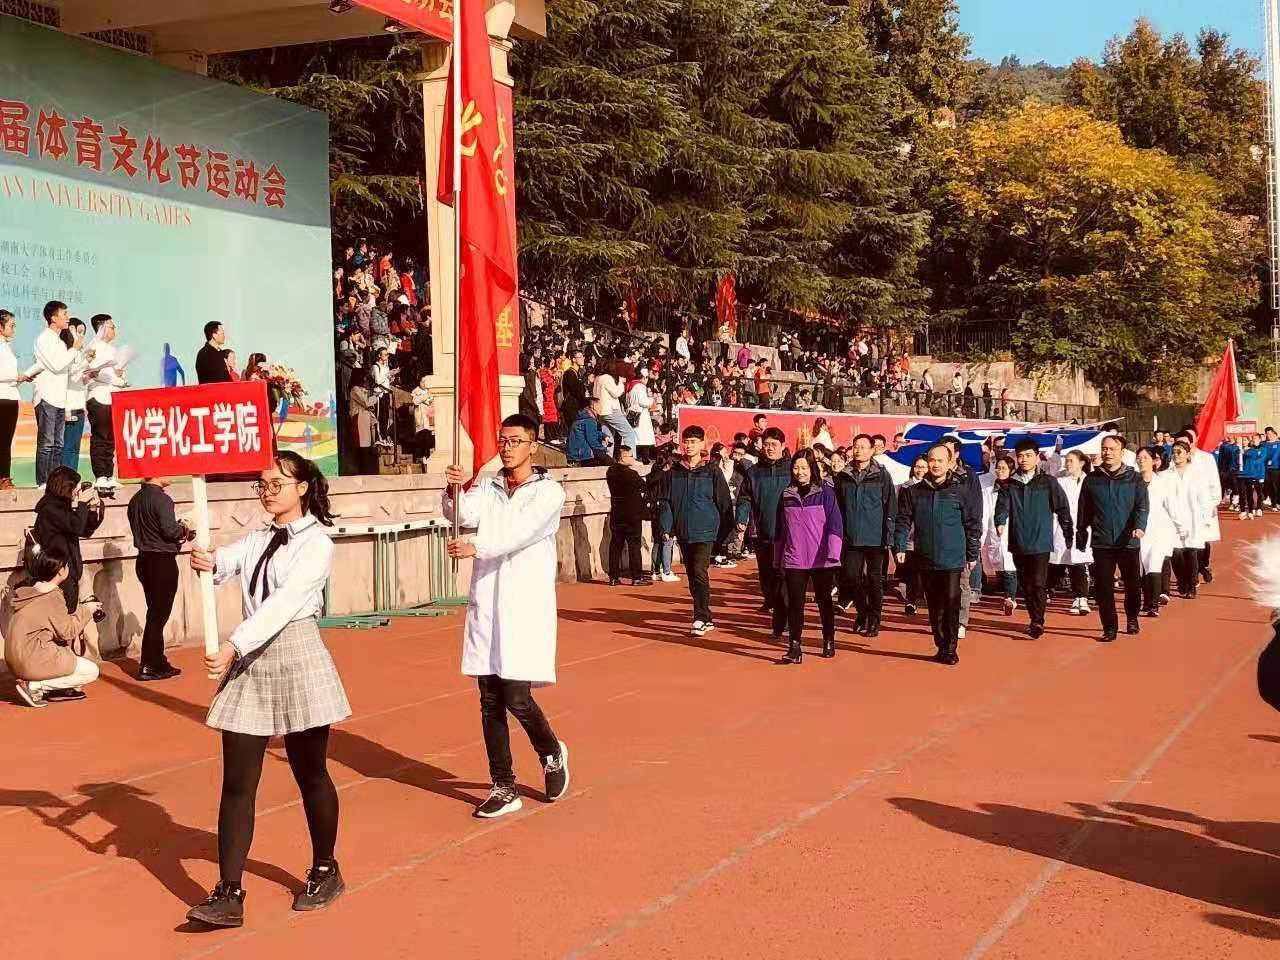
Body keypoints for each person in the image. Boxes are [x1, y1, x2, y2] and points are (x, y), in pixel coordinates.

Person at [186, 453, 351, 927]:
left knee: (310, 772)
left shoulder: (316, 543)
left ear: (302, 487)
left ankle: (325, 869)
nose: (267, 491)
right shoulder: (259, 537)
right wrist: (207, 558)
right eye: (262, 484)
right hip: (252, 658)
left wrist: (234, 645)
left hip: (294, 652)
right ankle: (228, 892)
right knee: (238, 781)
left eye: (276, 483)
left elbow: (285, 602)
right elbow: (225, 561)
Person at [443, 415, 571, 820]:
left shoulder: (547, 493)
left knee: (516, 696)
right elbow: (461, 515)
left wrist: (475, 547)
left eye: (516, 440)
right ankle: (503, 784)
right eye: (503, 440)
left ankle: (550, 751)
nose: (507, 447)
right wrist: (455, 489)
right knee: (489, 700)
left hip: (523, 607)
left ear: (533, 445)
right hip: (488, 601)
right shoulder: (490, 486)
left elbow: (520, 532)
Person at [893, 443, 981, 665]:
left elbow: (972, 524)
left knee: (951, 602)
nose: (935, 465)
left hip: (952, 558)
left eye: (940, 461)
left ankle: (950, 647)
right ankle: (941, 643)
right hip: (925, 557)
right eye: (932, 460)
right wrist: (900, 546)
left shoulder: (961, 491)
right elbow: (903, 520)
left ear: (950, 463)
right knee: (934, 605)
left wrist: (972, 554)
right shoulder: (913, 492)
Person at [994, 438, 1074, 638]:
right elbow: (1002, 506)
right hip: (1019, 541)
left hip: (1040, 542)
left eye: (1028, 455)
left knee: (1038, 582)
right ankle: (1033, 616)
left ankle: (1037, 621)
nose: (1024, 459)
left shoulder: (1048, 482)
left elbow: (1062, 508)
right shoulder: (1009, 484)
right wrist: (1000, 521)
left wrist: (1068, 532)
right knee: (1026, 584)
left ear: (1037, 457)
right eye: (1020, 456)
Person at [6, 543, 102, 707]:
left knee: (73, 671)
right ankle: (35, 686)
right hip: (32, 659)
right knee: (91, 671)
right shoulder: (52, 596)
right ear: (60, 571)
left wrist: (82, 609)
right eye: (67, 566)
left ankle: (38, 684)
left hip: (16, 658)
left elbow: (55, 623)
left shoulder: (30, 591)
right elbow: (68, 631)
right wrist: (87, 610)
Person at [658, 425, 733, 637]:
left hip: (706, 531)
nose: (689, 445)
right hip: (684, 531)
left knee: (700, 572)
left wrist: (725, 534)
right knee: (692, 575)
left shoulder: (712, 471)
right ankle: (705, 617)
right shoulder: (674, 473)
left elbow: (724, 502)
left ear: (702, 444)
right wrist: (666, 526)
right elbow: (665, 502)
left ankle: (700, 617)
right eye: (686, 441)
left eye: (693, 442)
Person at [1076, 434, 1148, 642]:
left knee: (1132, 586)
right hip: (1102, 541)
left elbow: (1142, 506)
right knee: (1103, 588)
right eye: (1104, 449)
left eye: (1112, 449)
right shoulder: (1092, 480)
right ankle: (1109, 627)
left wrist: (1139, 527)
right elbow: (1084, 509)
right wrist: (1081, 532)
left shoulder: (1134, 479)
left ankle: (1132, 618)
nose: (1107, 453)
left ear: (1122, 452)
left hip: (1128, 542)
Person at [774, 449, 843, 664]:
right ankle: (794, 646)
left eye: (804, 467)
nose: (800, 472)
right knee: (795, 603)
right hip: (794, 558)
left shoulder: (826, 493)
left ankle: (828, 638)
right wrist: (777, 557)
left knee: (824, 601)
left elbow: (835, 524)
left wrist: (833, 553)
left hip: (821, 558)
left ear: (812, 469)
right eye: (796, 468)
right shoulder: (786, 495)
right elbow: (780, 529)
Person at [126, 476, 191, 680]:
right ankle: (150, 663)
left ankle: (157, 660)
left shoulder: (135, 499)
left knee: (155, 613)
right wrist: (185, 528)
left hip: (144, 559)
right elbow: (170, 531)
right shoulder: (162, 499)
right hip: (161, 560)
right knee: (158, 615)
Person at [834, 434, 895, 638]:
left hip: (876, 537)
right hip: (850, 537)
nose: (858, 450)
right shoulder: (843, 476)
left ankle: (874, 619)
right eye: (855, 446)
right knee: (850, 577)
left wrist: (889, 535)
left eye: (863, 446)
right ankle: (863, 612)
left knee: (874, 580)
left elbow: (890, 506)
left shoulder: (882, 475)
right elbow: (838, 507)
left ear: (871, 450)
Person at [736, 427, 792, 633]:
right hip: (763, 532)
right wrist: (741, 518)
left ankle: (783, 616)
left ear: (783, 446)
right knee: (767, 575)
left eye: (774, 445)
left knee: (783, 575)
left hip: (788, 533)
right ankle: (772, 601)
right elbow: (744, 498)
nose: (769, 448)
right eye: (766, 444)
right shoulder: (754, 472)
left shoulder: (792, 469)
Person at [33, 466, 104, 617]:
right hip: (57, 574)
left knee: (71, 617)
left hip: (69, 572)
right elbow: (76, 526)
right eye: (75, 489)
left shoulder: (61, 507)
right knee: (64, 619)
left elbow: (84, 530)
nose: (76, 493)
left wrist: (91, 509)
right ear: (66, 487)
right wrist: (82, 504)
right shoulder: (50, 508)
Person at [28, 300, 74, 487]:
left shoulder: (59, 341)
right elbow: (57, 365)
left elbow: (67, 368)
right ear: (53, 318)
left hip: (60, 398)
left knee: (58, 445)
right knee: (47, 444)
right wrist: (74, 349)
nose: (68, 318)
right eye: (64, 314)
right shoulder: (44, 339)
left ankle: (54, 483)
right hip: (47, 397)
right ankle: (42, 482)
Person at [1135, 446, 1186, 617]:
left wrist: (1181, 527)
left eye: (1145, 458)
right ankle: (1146, 601)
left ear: (1154, 461)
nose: (1141, 461)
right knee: (1142, 567)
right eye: (1139, 458)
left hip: (1159, 531)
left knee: (1154, 565)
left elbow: (1172, 507)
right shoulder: (1133, 483)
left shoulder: (1162, 483)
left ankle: (1153, 605)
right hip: (1139, 532)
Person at [85, 314, 124, 491]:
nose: (114, 330)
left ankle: (109, 475)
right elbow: (91, 372)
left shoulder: (113, 349)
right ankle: (100, 475)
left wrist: (120, 377)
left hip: (112, 397)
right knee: (100, 437)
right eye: (111, 326)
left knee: (111, 439)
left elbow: (117, 375)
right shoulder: (93, 347)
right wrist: (114, 378)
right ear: (101, 328)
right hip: (98, 397)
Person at [1052, 451, 1093, 616]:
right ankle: (1047, 591)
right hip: (1064, 527)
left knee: (1079, 562)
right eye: (1066, 461)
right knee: (1064, 562)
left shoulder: (1091, 481)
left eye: (1071, 461)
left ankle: (1081, 598)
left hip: (1085, 527)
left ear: (1082, 463)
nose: (1067, 464)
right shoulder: (1060, 482)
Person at [1168, 439, 1210, 598]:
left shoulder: (1197, 474)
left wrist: (1205, 519)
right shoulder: (1166, 475)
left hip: (1193, 519)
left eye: (1179, 452)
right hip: (1172, 520)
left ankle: (1192, 586)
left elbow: (1204, 497)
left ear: (1187, 454)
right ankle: (1182, 580)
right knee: (1176, 553)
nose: (1176, 455)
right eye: (1173, 452)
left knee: (1191, 552)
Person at [606, 446, 651, 585]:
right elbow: (644, 487)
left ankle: (613, 577)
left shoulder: (610, 472)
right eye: (630, 456)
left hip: (617, 513)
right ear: (622, 457)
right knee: (634, 546)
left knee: (615, 545)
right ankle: (636, 577)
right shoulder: (631, 474)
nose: (633, 458)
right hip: (632, 514)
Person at [981, 456, 1018, 615]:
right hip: (993, 530)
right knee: (998, 563)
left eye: (1004, 468)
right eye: (998, 467)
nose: (1000, 471)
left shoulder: (1016, 487)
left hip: (1011, 530)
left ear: (1011, 470)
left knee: (1009, 564)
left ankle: (1010, 598)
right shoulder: (989, 488)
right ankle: (1007, 594)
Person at [896, 455, 929, 615]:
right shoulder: (905, 487)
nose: (920, 470)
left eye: (923, 467)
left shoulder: (933, 488)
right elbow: (902, 515)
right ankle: (911, 601)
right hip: (910, 537)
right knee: (912, 571)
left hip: (928, 537)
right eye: (917, 466)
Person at [61, 319, 89, 470]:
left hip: (79, 405)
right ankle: (65, 478)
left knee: (75, 447)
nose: (81, 336)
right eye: (78, 332)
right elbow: (68, 376)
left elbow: (79, 380)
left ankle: (72, 477)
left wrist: (89, 375)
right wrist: (85, 363)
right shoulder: (66, 353)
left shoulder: (79, 354)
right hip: (69, 406)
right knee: (68, 446)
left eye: (83, 333)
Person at [0, 309, 22, 489]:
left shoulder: (6, 347)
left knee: (6, 440)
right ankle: (3, 478)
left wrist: (20, 378)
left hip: (10, 396)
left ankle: (4, 476)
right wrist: (16, 376)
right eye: (11, 326)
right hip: (2, 398)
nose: (13, 329)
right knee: (2, 439)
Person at [647, 453, 677, 582]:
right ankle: (666, 570)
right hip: (664, 509)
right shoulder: (666, 478)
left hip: (654, 510)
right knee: (667, 540)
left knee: (658, 541)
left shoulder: (652, 476)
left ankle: (655, 570)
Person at [348, 369, 379, 475]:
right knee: (361, 445)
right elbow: (366, 403)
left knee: (366, 446)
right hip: (359, 419)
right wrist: (375, 397)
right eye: (364, 377)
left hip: (365, 419)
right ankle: (362, 471)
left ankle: (366, 471)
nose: (365, 380)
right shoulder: (355, 389)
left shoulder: (362, 390)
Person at [566, 397, 614, 467]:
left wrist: (604, 436)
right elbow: (592, 441)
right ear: (593, 406)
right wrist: (604, 449)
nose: (602, 407)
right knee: (611, 462)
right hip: (582, 457)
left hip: (575, 455)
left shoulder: (583, 417)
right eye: (600, 405)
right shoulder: (589, 420)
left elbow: (591, 432)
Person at [626, 368, 657, 463]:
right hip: (641, 414)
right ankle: (644, 458)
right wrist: (652, 399)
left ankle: (636, 456)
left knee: (635, 436)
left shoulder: (630, 386)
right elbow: (643, 402)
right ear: (644, 377)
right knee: (644, 437)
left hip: (632, 413)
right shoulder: (641, 386)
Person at [410, 375, 435, 465]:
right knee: (420, 437)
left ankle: (427, 456)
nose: (424, 384)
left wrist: (426, 398)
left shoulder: (430, 391)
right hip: (420, 417)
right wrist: (425, 397)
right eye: (422, 382)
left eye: (425, 382)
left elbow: (431, 401)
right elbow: (416, 401)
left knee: (428, 437)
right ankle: (419, 457)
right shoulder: (416, 391)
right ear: (419, 382)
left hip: (428, 416)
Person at [1240, 435, 1267, 519]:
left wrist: (1251, 462)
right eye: (1253, 438)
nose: (1254, 440)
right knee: (1248, 492)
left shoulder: (1262, 448)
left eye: (1255, 438)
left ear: (1259, 439)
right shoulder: (1249, 449)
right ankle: (1249, 509)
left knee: (1259, 491)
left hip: (1258, 473)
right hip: (1249, 473)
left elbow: (1261, 459)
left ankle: (1259, 508)